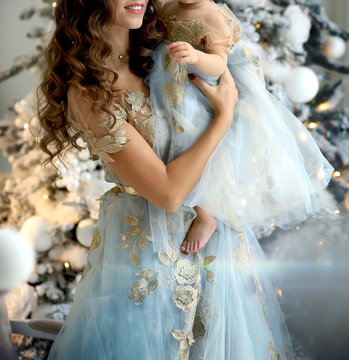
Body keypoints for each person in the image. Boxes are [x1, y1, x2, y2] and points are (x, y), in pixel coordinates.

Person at [38, 0, 294, 359]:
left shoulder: (163, 49)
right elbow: (170, 194)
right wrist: (223, 117)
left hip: (216, 238)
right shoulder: (89, 90)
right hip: (150, 248)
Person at [147, 0, 334, 254]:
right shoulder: (169, 7)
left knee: (190, 143)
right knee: (165, 142)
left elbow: (219, 63)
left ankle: (206, 214)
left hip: (196, 91)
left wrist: (197, 56)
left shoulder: (211, 15)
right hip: (167, 83)